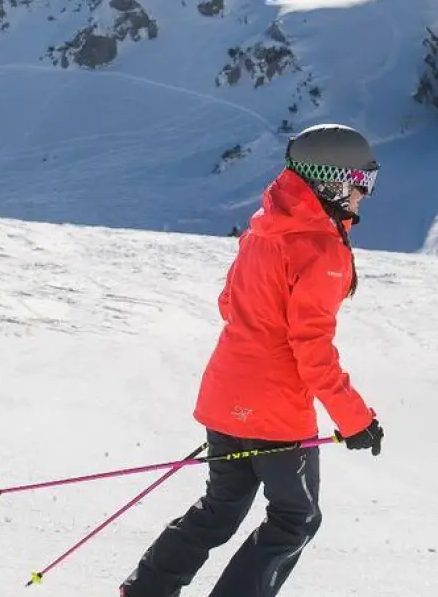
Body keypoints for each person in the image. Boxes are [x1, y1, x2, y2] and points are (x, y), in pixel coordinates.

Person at [120, 123, 386, 597]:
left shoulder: (263, 229)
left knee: (220, 509)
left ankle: (147, 590)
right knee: (294, 517)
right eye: (359, 183)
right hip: (276, 414)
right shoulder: (322, 249)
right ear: (329, 181)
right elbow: (312, 348)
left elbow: (229, 303)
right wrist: (356, 418)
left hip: (225, 396)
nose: (363, 196)